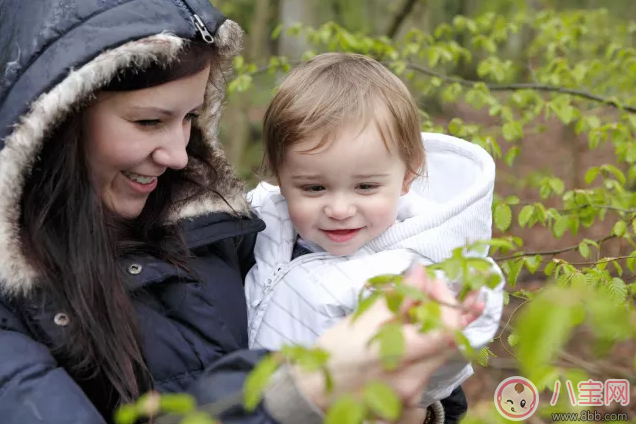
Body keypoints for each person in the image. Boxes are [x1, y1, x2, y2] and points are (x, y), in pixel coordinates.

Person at [0, 2, 485, 424]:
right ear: (54, 118)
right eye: (148, 121)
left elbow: (428, 391)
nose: (178, 155)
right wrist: (299, 393)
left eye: (190, 117)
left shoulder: (216, 225)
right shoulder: (14, 314)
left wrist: (416, 409)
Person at [245, 53, 505, 423]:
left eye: (365, 187)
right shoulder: (261, 227)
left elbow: (440, 366)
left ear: (408, 175)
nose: (339, 209)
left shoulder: (412, 273)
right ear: (280, 180)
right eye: (314, 187)